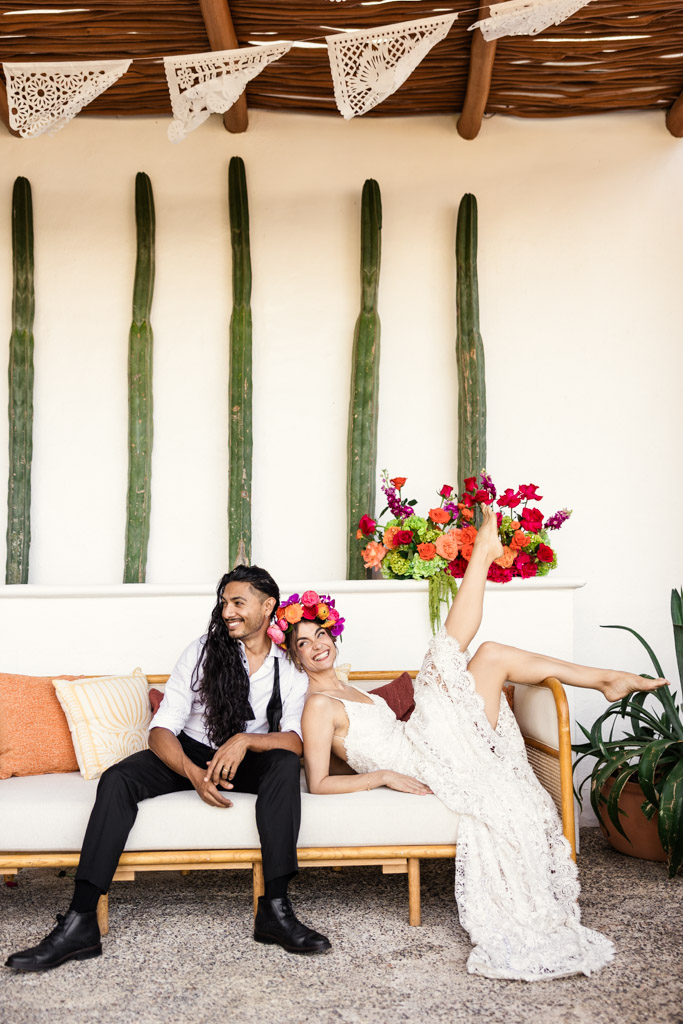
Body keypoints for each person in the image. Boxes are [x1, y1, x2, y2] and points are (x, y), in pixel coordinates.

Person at [283, 508, 670, 981]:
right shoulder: (317, 705)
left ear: (332, 635)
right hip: (423, 757)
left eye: (321, 633)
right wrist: (383, 776)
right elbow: (318, 783)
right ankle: (495, 571)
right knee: (463, 655)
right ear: (295, 656)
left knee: (489, 654)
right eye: (304, 642)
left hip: (426, 738)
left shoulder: (347, 688)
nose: (317, 644)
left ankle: (602, 677)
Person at [5, 565, 331, 972]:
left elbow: (294, 740)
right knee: (118, 779)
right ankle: (80, 921)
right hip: (189, 752)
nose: (227, 611)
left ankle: (275, 911)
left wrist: (246, 740)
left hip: (244, 758)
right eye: (223, 602)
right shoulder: (202, 651)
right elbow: (161, 729)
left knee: (283, 764)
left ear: (268, 607)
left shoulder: (288, 666)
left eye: (237, 603)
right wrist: (193, 773)